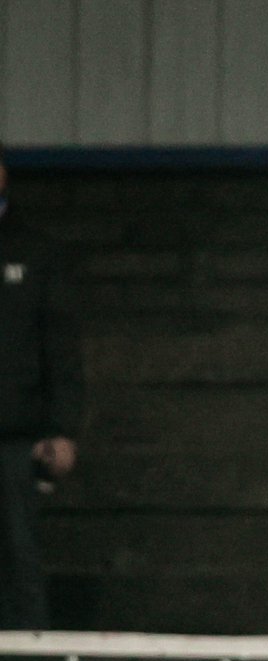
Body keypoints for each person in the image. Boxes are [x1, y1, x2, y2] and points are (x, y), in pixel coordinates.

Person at [0, 143, 84, 629]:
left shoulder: (37, 252)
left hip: (15, 439)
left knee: (19, 560)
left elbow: (62, 349)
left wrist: (63, 430)